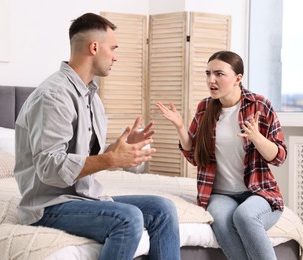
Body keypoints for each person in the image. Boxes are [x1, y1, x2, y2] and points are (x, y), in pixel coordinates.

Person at [14, 13, 180, 260]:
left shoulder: (91, 96)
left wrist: (118, 150)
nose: (116, 56)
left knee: (163, 209)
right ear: (94, 47)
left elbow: (85, 159)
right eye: (113, 48)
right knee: (129, 218)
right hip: (48, 205)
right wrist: (110, 160)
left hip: (84, 197)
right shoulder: (53, 96)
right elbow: (48, 166)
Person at [156, 50, 287, 260]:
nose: (211, 80)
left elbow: (280, 156)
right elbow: (195, 157)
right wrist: (181, 127)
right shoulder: (204, 108)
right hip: (219, 194)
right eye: (208, 74)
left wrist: (257, 138)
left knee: (244, 216)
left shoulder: (260, 106)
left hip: (258, 192)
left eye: (219, 74)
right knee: (223, 219)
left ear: (238, 78)